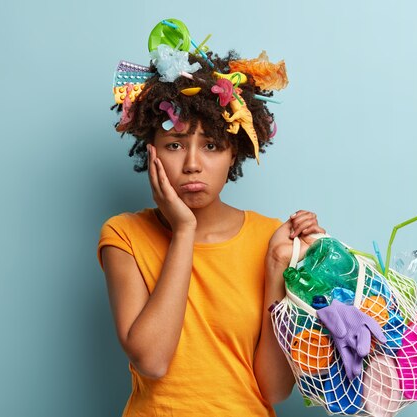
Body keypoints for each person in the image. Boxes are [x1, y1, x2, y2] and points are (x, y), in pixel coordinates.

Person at [98, 25, 325, 416]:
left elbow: (272, 391)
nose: (191, 164)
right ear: (150, 151)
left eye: (211, 146)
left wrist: (277, 269)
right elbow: (152, 361)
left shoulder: (270, 239)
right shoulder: (124, 236)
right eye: (174, 145)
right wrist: (184, 229)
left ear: (233, 153)